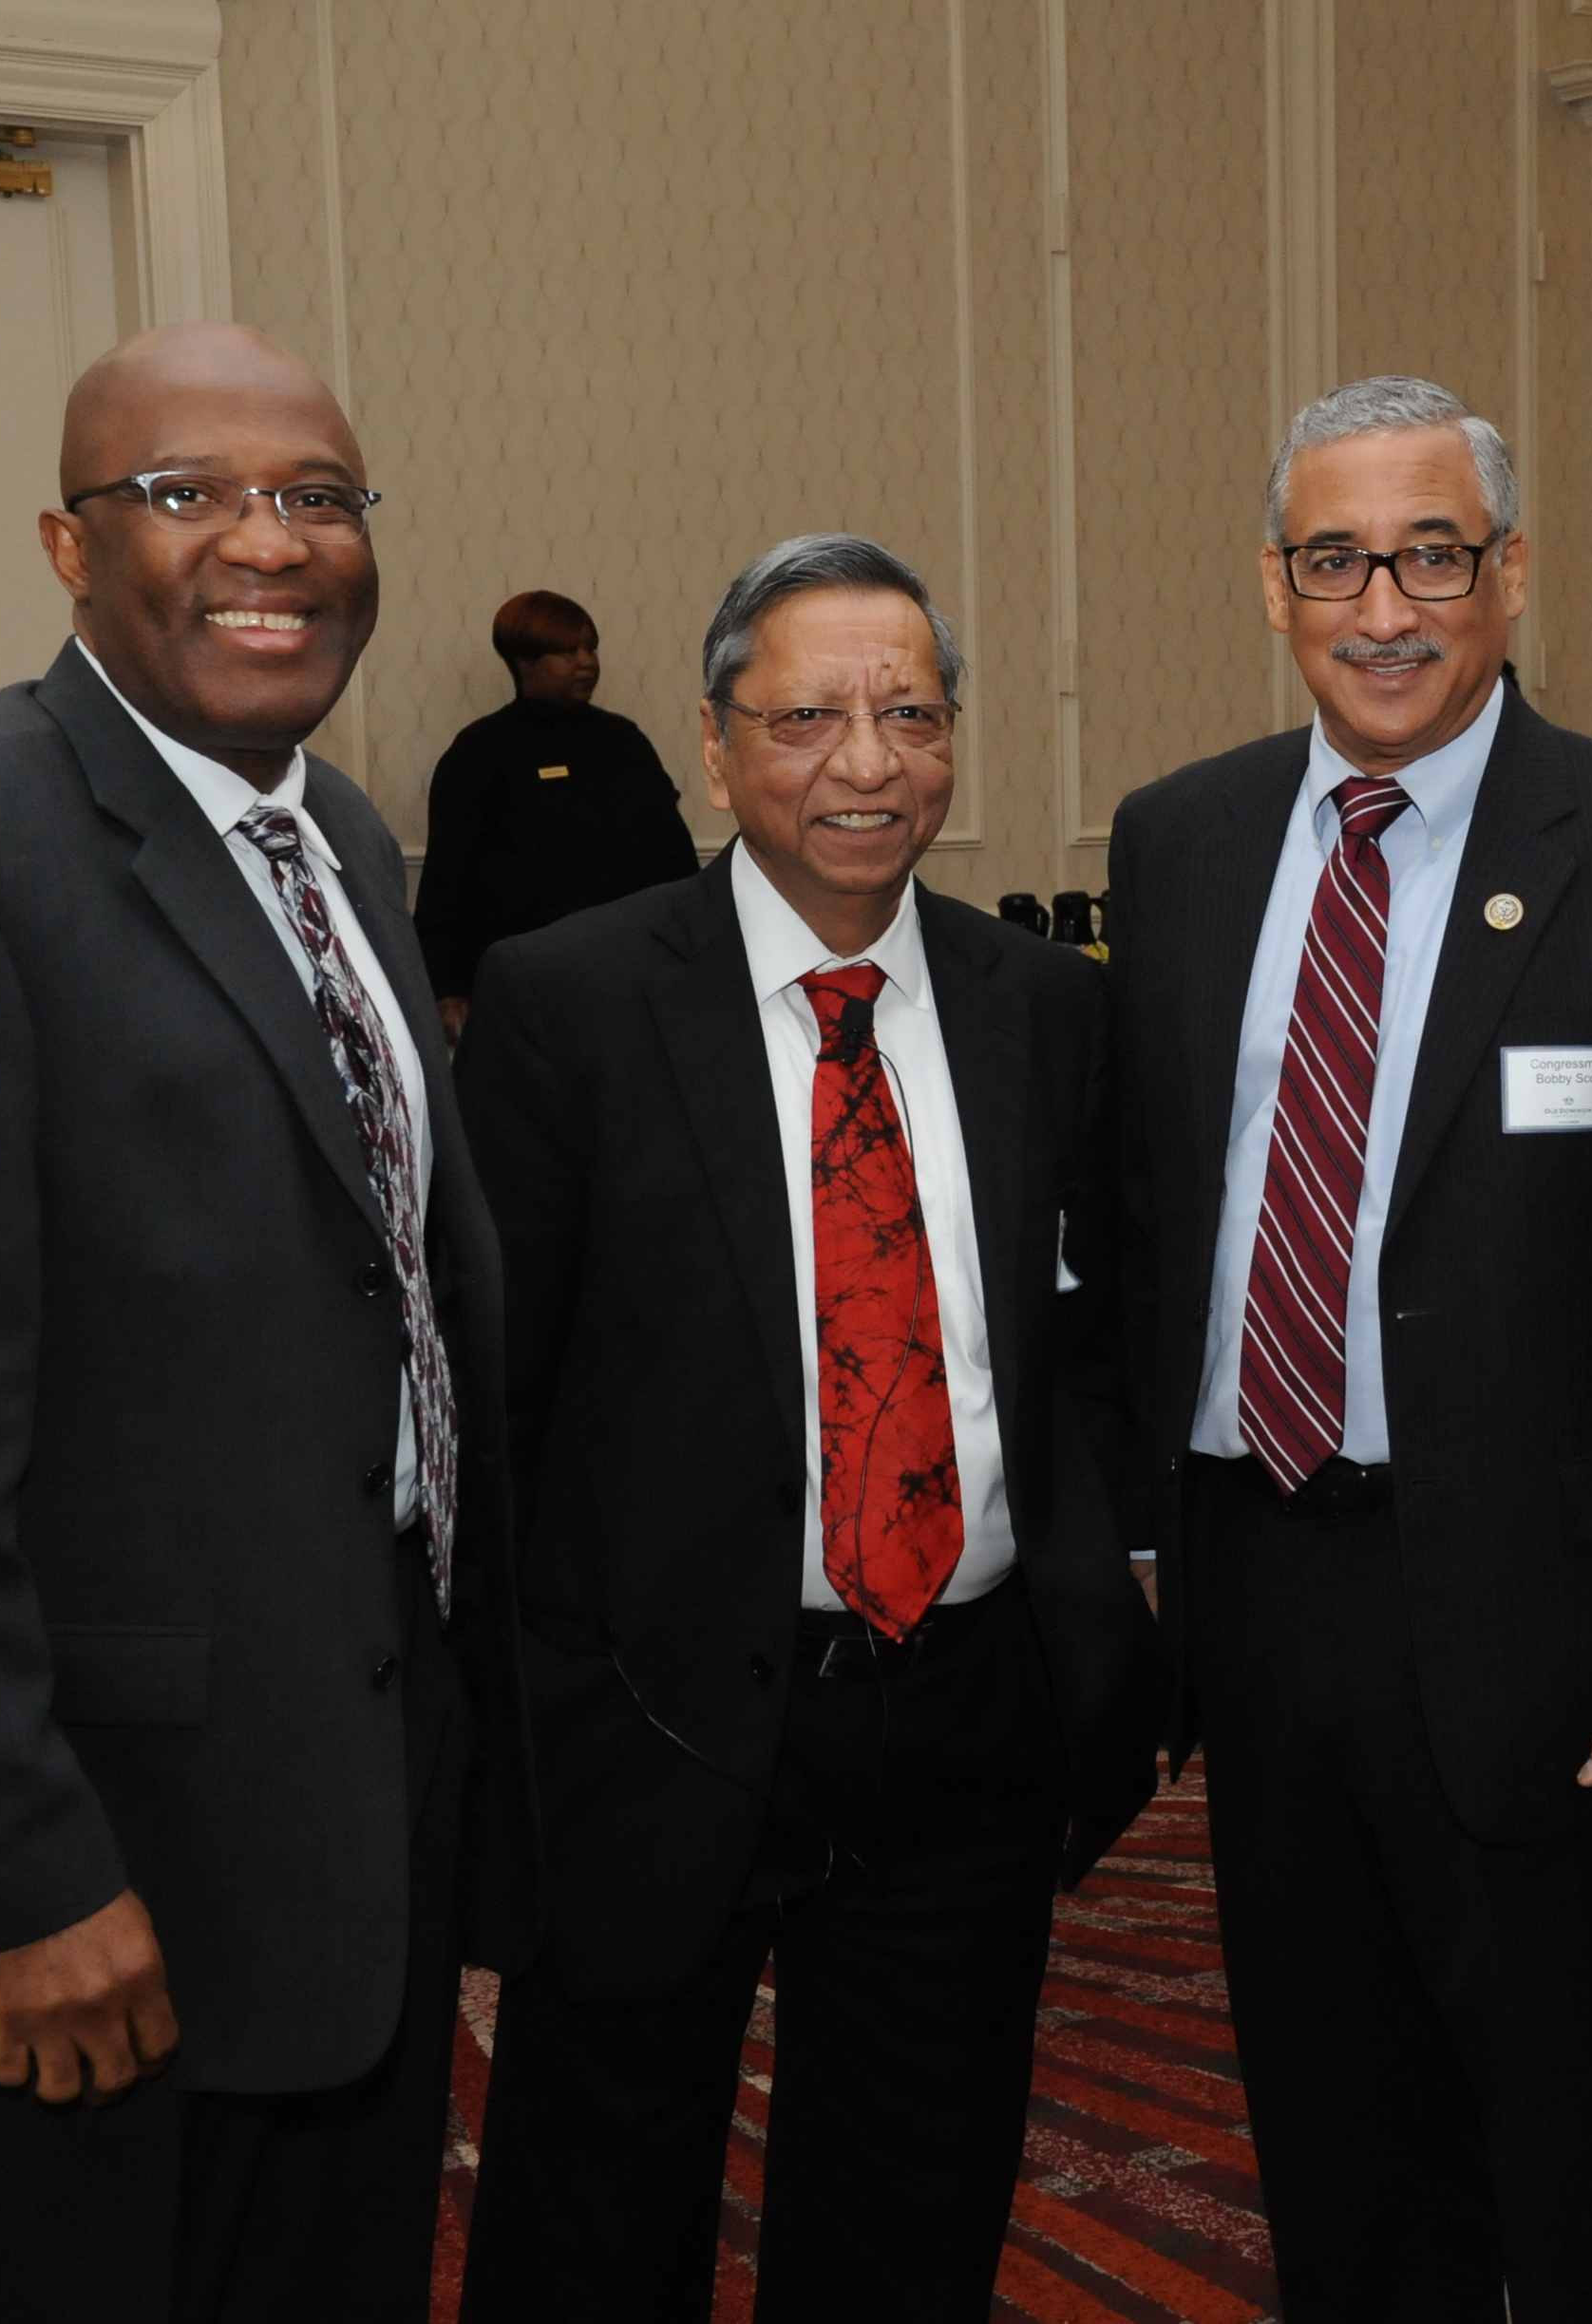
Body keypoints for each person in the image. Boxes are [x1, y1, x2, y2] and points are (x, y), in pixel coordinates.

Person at [0, 323, 524, 2323]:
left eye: (316, 495)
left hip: (330, 1831)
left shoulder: (337, 837)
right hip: (78, 1875)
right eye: (187, 494)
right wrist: (15, 1877)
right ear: (69, 546)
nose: (270, 541)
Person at [1101, 378, 1592, 2320]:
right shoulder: (1178, 841)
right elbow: (1152, 1216)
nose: (1383, 608)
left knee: (1578, 2172)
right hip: (1259, 1591)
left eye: (1431, 556)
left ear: (1507, 574)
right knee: (1336, 2151)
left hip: (1554, 1628)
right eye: (1336, 560)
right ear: (1272, 585)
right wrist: (1143, 1543)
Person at [453, 533, 1165, 2323]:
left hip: (965, 1715)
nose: (867, 761)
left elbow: (1088, 1344)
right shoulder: (569, 1003)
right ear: (713, 746)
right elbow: (496, 1396)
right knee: (593, 2224)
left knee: (909, 2225)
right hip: (656, 1714)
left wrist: (1097, 1607)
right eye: (806, 718)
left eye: (910, 715)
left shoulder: (1046, 1008)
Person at [414, 588, 699, 1038]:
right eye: (567, 652)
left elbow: (675, 857)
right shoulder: (482, 750)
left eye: (591, 648)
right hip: (527, 982)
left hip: (633, 974)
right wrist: (446, 986)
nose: (586, 662)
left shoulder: (625, 741)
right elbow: (448, 879)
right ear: (524, 661)